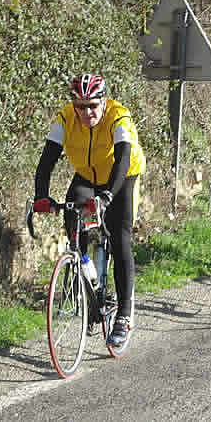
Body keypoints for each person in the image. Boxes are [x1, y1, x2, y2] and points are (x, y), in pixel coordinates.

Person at [34, 74, 146, 347]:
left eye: (93, 106)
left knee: (120, 240)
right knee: (72, 217)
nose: (86, 112)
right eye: (80, 106)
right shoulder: (65, 118)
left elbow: (122, 159)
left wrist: (108, 195)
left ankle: (124, 314)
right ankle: (85, 272)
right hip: (86, 176)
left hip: (122, 177)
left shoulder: (119, 117)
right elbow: (47, 160)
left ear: (104, 102)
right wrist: (41, 196)